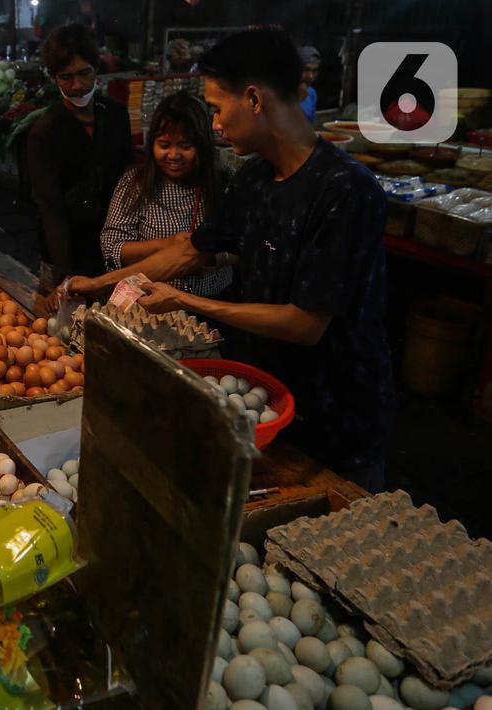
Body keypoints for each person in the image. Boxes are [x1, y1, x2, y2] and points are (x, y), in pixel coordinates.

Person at [62, 28, 394, 493]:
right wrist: (97, 284)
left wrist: (189, 302)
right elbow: (188, 251)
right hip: (263, 396)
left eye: (217, 108)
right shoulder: (255, 178)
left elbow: (305, 323)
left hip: (335, 416)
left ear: (254, 99)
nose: (215, 124)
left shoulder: (345, 191)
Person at [97, 91, 232, 297]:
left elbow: (247, 245)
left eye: (185, 146)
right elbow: (111, 246)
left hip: (214, 301)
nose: (174, 155)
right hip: (150, 304)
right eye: (164, 145)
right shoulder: (135, 183)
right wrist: (167, 245)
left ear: (203, 145)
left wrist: (214, 258)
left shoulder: (224, 181)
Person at [28, 23, 132, 289]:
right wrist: (64, 276)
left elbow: (128, 181)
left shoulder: (116, 115)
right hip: (64, 252)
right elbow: (50, 207)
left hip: (114, 250)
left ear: (96, 68)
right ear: (54, 78)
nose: (78, 85)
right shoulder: (45, 132)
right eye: (66, 77)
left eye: (84, 73)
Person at [299, 45, 321, 123]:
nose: (310, 76)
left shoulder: (311, 93)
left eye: (314, 71)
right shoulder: (283, 93)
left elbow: (312, 123)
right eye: (306, 69)